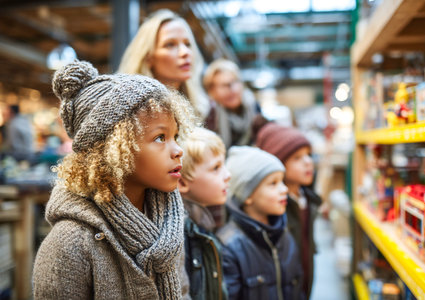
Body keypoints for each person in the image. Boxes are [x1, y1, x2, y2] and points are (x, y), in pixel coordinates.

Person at [32, 60, 196, 299]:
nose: (178, 150)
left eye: (175, 136)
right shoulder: (69, 244)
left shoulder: (168, 225)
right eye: (160, 137)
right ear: (115, 147)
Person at [217, 146, 305, 300]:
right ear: (248, 195)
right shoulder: (228, 246)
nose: (284, 189)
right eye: (273, 183)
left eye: (282, 181)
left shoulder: (284, 234)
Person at [256, 123, 323, 299]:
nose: (308, 162)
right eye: (297, 158)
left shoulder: (307, 199)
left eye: (308, 155)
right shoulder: (274, 207)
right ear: (278, 162)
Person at [118, 9, 209, 120]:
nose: (185, 52)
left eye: (188, 44)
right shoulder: (132, 113)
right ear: (148, 57)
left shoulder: (202, 106)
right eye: (170, 44)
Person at [178, 127, 230, 300]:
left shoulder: (200, 224)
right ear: (182, 182)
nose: (227, 175)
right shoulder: (181, 235)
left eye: (224, 164)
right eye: (216, 168)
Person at [203, 59, 264, 149]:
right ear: (211, 91)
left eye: (234, 82)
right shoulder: (210, 116)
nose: (231, 90)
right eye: (223, 85)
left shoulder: (253, 106)